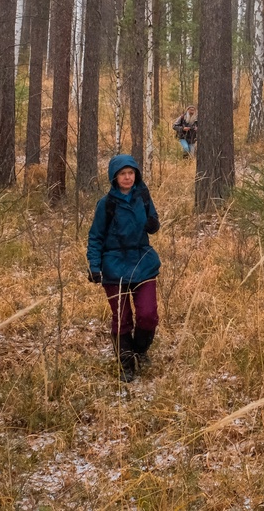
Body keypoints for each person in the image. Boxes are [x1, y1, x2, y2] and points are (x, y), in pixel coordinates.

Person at [87, 154, 161, 382]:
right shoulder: (106, 204)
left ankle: (140, 351)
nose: (127, 177)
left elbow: (153, 223)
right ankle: (126, 364)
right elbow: (95, 237)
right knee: (122, 317)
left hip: (142, 262)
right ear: (114, 177)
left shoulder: (143, 197)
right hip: (114, 266)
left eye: (131, 173)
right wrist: (95, 266)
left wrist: (153, 223)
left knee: (148, 314)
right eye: (122, 174)